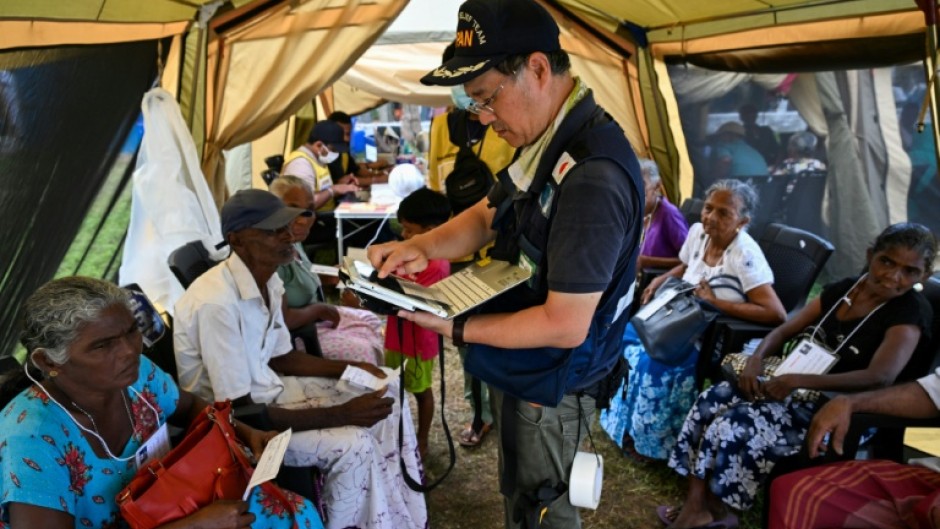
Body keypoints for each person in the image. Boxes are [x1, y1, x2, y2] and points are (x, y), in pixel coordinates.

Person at [369, 1, 645, 527]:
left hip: (555, 383)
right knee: (520, 493)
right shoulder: (550, 136)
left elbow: (564, 325)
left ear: (537, 69)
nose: (484, 120)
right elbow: (487, 213)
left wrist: (458, 325)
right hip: (524, 365)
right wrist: (423, 246)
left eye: (487, 99)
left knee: (545, 508)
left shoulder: (592, 177)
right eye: (474, 104)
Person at [173, 189, 427, 529]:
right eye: (271, 230)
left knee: (386, 386)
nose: (287, 234)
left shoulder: (268, 278)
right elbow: (237, 410)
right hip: (237, 431)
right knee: (355, 444)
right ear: (237, 240)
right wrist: (341, 414)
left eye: (285, 226)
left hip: (270, 393)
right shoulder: (216, 304)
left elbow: (282, 358)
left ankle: (394, 513)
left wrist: (352, 369)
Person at [660, 222, 936, 529]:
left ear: (923, 275)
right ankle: (696, 505)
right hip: (793, 388)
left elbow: (880, 376)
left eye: (910, 271)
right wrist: (757, 358)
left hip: (840, 408)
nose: (893, 277)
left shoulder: (909, 314)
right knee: (711, 400)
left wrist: (798, 381)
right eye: (887, 261)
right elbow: (784, 328)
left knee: (736, 423)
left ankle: (725, 512)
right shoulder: (847, 288)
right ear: (871, 254)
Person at [0, 276, 323, 529]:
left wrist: (243, 431)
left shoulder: (138, 378)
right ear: (47, 361)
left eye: (131, 332)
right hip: (181, 520)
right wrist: (193, 526)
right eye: (103, 346)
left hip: (179, 508)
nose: (129, 351)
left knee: (297, 513)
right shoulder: (31, 441)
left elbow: (191, 408)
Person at [600, 179, 786, 461]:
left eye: (724, 213)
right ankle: (623, 426)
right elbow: (687, 265)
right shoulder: (699, 232)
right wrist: (661, 279)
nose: (711, 217)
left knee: (652, 362)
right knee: (625, 337)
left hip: (702, 334)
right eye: (709, 208)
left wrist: (715, 302)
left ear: (742, 221)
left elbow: (775, 312)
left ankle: (650, 443)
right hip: (674, 319)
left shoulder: (744, 254)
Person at [426, 40, 516, 449]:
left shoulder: (509, 122)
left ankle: (507, 409)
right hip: (458, 255)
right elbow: (434, 187)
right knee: (465, 338)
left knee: (505, 331)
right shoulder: (441, 127)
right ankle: (479, 413)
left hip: (504, 254)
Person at [768, 365, 940, 529]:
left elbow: (881, 375)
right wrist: (850, 402)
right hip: (931, 481)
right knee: (794, 492)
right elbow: (932, 392)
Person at [269, 175, 385, 365]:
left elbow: (303, 274)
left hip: (315, 321)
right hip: (293, 337)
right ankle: (370, 386)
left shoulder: (293, 242)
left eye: (309, 210)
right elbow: (282, 320)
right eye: (292, 208)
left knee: (371, 320)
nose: (303, 219)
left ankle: (380, 383)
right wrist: (319, 309)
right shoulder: (273, 255)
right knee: (364, 352)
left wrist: (332, 275)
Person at [384, 187, 451, 458]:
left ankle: (421, 440)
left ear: (432, 229)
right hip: (397, 336)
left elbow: (405, 299)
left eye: (410, 230)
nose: (403, 236)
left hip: (417, 343)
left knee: (421, 391)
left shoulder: (435, 265)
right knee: (394, 387)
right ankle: (399, 433)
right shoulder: (413, 255)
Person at [282, 120, 360, 213]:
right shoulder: (301, 164)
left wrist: (341, 185)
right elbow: (306, 204)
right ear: (319, 145)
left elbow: (322, 190)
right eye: (333, 150)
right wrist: (334, 189)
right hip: (318, 222)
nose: (336, 154)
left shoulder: (317, 158)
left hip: (328, 214)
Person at [637, 158, 688, 271]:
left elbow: (689, 260)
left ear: (657, 185)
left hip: (657, 281)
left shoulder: (669, 214)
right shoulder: (640, 212)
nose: (636, 190)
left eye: (642, 185)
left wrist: (646, 261)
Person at [703, 121, 768, 195]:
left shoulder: (723, 145)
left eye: (721, 135)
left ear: (729, 135)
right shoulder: (752, 150)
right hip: (761, 188)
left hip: (738, 186)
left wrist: (711, 178)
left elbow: (725, 161)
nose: (719, 138)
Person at [327, 111, 389, 186]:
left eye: (349, 134)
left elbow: (357, 171)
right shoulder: (328, 154)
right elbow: (345, 182)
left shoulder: (344, 151)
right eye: (345, 134)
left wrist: (382, 173)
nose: (348, 139)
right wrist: (379, 179)